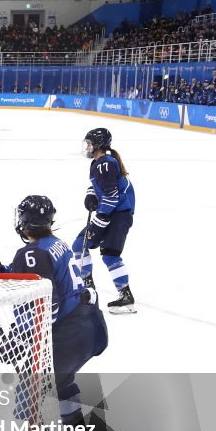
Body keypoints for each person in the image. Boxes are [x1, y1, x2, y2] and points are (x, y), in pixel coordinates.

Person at [0, 196, 108, 431]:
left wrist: (20, 336)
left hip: (71, 333)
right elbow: (33, 279)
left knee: (28, 388)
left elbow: (46, 305)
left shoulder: (32, 253)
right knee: (61, 381)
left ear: (23, 222)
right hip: (90, 327)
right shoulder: (55, 245)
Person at [72, 128, 136, 314]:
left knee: (109, 254)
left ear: (99, 145)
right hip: (111, 212)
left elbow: (111, 196)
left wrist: (100, 220)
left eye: (90, 143)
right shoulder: (99, 162)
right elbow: (99, 186)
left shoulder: (105, 164)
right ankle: (87, 288)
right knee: (79, 245)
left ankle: (125, 297)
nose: (87, 147)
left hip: (118, 215)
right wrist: (91, 195)